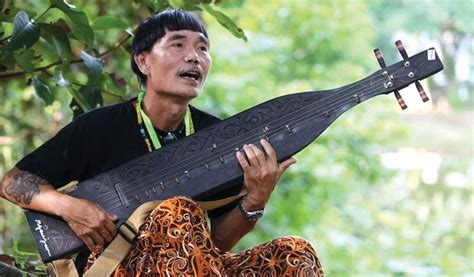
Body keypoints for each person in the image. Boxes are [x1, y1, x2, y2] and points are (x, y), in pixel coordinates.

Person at [0, 9, 323, 276]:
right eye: (178, 45)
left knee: (295, 255)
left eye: (202, 48)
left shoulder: (216, 136)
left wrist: (255, 201)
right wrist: (70, 207)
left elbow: (215, 244)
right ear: (143, 62)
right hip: (115, 268)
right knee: (179, 211)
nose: (194, 57)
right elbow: (13, 181)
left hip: (191, 267)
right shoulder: (100, 127)